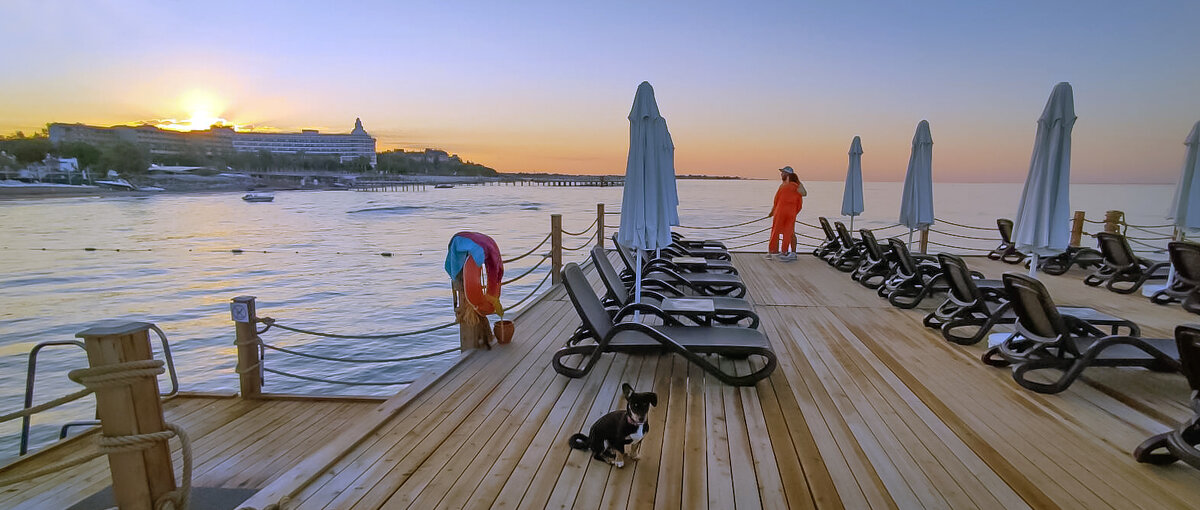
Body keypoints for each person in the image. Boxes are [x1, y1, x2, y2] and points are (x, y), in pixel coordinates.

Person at [767, 166, 806, 261]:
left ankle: (792, 252)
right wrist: (772, 211)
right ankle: (778, 251)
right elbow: (777, 201)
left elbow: (803, 193)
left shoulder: (795, 185)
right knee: (777, 231)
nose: (781, 174)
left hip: (789, 213)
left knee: (790, 232)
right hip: (780, 212)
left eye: (783, 173)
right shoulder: (782, 186)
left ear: (788, 174)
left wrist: (798, 183)